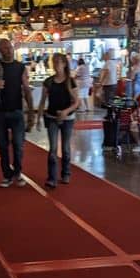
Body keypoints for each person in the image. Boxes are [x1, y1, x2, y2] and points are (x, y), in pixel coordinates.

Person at [0, 39, 35, 187]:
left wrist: (31, 113)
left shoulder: (20, 67)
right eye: (5, 48)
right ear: (0, 50)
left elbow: (26, 90)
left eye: (10, 47)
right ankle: (6, 175)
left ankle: (17, 173)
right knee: (3, 146)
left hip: (17, 112)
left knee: (18, 145)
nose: (8, 50)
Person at [36, 53, 79, 188]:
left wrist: (66, 112)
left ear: (64, 64)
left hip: (67, 119)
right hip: (52, 117)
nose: (56, 65)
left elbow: (77, 102)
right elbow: (43, 101)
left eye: (59, 62)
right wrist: (38, 118)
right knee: (53, 148)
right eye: (54, 62)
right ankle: (52, 177)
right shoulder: (48, 82)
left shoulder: (70, 82)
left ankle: (66, 173)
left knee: (65, 148)